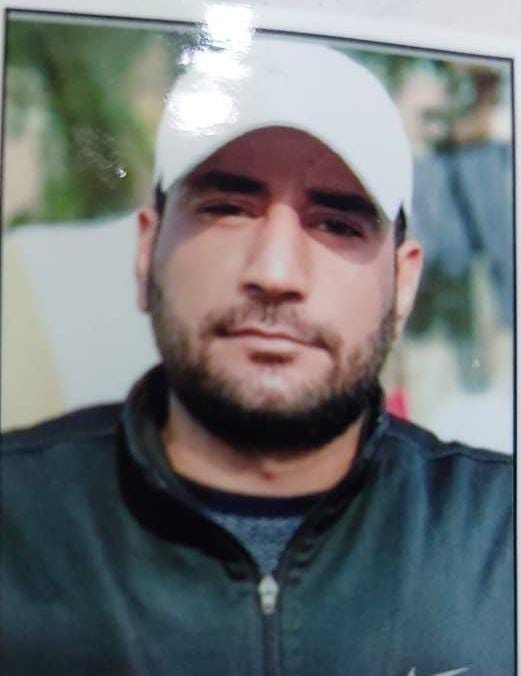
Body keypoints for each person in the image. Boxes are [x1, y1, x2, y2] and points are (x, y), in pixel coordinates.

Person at [2, 38, 513, 676]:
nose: (275, 273)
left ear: (403, 284)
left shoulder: (500, 538)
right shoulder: (16, 523)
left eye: (337, 224)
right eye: (226, 210)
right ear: (147, 253)